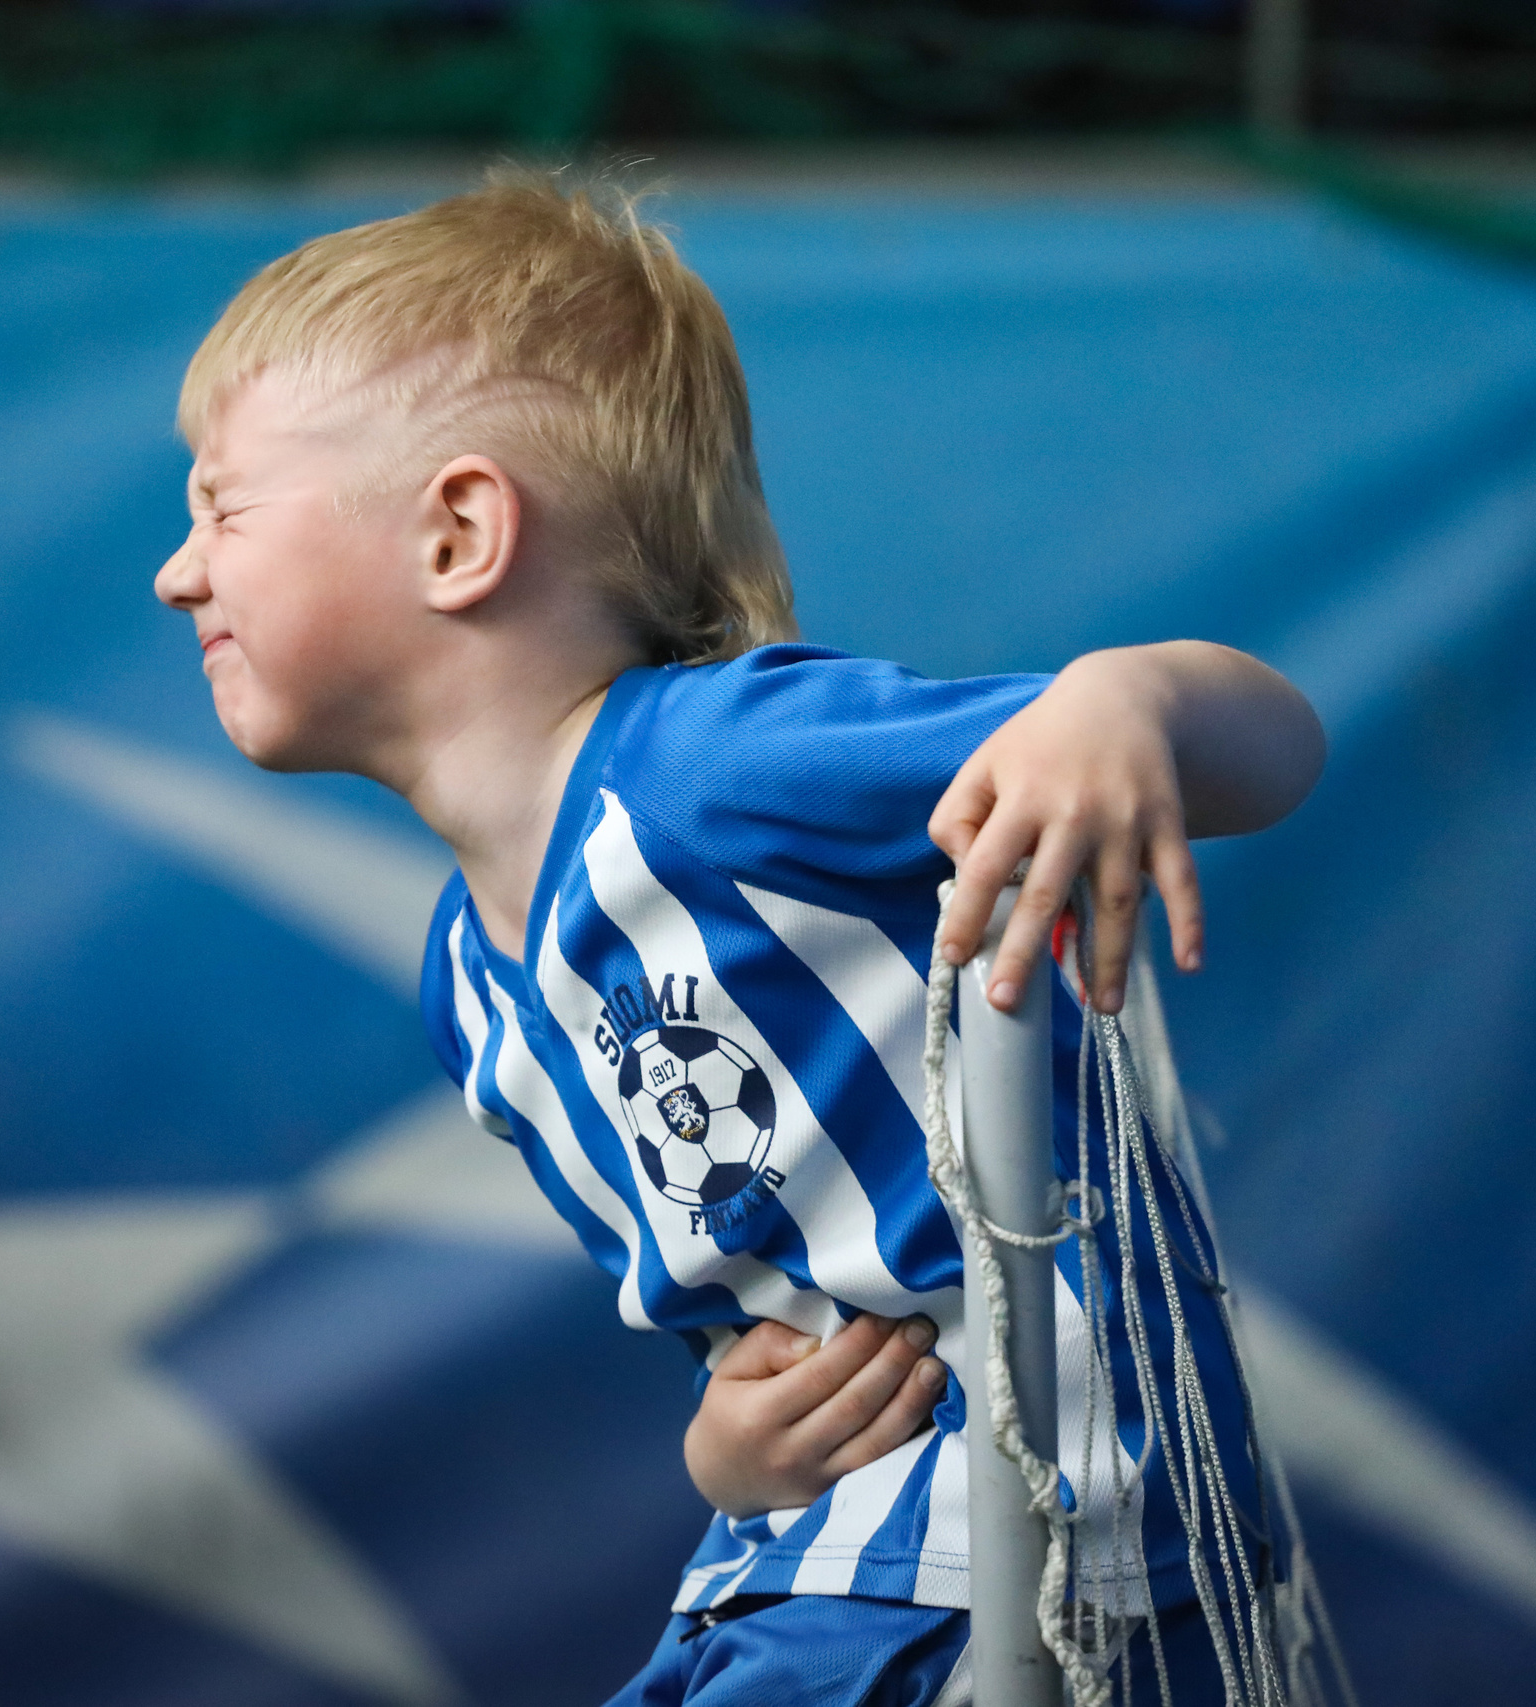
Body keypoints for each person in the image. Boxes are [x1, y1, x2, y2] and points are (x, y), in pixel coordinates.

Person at [154, 166, 1326, 1707]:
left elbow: (1276, 743)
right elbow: (740, 1319)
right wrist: (728, 1438)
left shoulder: (715, 765)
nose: (182, 572)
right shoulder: (470, 982)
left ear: (457, 534)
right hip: (814, 1559)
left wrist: (1127, 701)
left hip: (1035, 1515)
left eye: (222, 506)